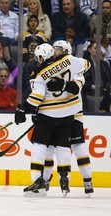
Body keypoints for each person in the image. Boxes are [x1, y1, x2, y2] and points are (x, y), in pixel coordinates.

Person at [14, 43, 91, 197]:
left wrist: (23, 109)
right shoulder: (69, 60)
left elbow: (36, 98)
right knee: (63, 146)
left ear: (42, 57)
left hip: (48, 115)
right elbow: (87, 64)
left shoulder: (40, 73)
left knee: (39, 145)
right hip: (69, 115)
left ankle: (38, 182)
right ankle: (66, 179)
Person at [43, 40, 94, 196]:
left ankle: (87, 181)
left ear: (65, 51)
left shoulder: (75, 68)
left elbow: (74, 88)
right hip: (55, 115)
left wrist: (62, 85)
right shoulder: (51, 68)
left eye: (57, 49)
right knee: (49, 149)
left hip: (73, 115)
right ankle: (45, 180)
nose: (54, 52)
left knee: (78, 147)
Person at [82, 41, 111, 112]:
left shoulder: (105, 64)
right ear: (89, 50)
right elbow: (81, 80)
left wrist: (105, 87)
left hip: (104, 93)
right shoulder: (84, 64)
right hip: (88, 92)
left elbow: (108, 80)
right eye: (95, 48)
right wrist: (91, 86)